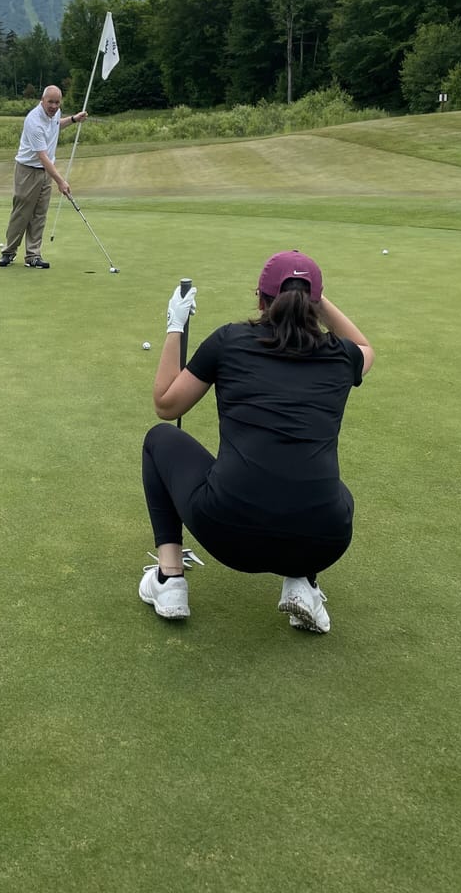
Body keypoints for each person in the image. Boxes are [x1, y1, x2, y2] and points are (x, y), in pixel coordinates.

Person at [139, 250, 374, 634]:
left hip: (230, 535)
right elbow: (367, 348)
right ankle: (303, 582)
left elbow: (166, 405)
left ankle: (170, 580)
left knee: (159, 440)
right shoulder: (339, 354)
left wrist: (174, 325)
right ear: (314, 305)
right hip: (326, 539)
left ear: (260, 300)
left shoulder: (229, 341)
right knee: (328, 490)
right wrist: (313, 295)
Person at [0, 86, 88, 269]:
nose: (54, 106)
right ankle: (8, 252)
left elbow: (56, 125)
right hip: (28, 170)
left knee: (40, 214)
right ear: (42, 100)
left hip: (45, 171)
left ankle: (33, 255)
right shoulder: (33, 120)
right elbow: (42, 156)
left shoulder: (55, 113)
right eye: (51, 102)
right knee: (22, 212)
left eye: (57, 102)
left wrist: (72, 119)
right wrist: (61, 181)